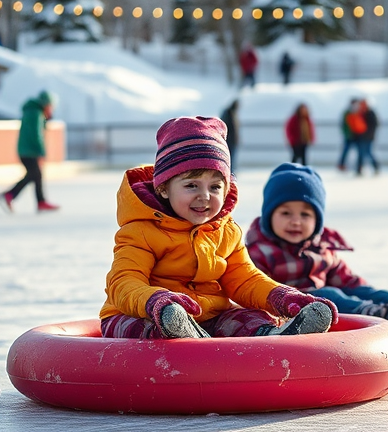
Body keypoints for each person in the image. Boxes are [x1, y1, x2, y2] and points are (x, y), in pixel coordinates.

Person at [99, 116, 338, 340]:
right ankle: (180, 336)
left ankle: (272, 340)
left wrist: (281, 296)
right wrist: (156, 300)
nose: (204, 196)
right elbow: (124, 281)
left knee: (249, 318)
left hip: (208, 316)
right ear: (163, 189)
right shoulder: (141, 230)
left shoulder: (226, 232)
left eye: (215, 187)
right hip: (143, 311)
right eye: (191, 185)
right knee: (142, 326)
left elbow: (244, 279)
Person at [246, 163, 388, 338]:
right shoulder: (260, 251)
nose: (296, 222)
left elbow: (348, 281)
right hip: (295, 311)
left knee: (362, 290)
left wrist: (370, 295)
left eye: (305, 215)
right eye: (286, 213)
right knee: (329, 294)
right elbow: (254, 291)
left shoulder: (321, 248)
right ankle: (376, 314)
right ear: (269, 216)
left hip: (330, 304)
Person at [0, 90, 60, 213]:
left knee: (35, 175)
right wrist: (41, 152)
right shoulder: (36, 114)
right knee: (35, 174)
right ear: (46, 104)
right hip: (29, 151)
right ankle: (10, 195)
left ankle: (36, 200)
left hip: (25, 150)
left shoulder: (32, 111)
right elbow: (37, 135)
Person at [337, 98, 362, 172]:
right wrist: (347, 133)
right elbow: (343, 125)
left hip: (358, 136)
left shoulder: (359, 112)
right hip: (349, 136)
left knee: (360, 152)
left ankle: (359, 166)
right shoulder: (347, 113)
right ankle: (341, 165)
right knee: (345, 151)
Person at [356, 99, 380, 176]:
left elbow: (374, 125)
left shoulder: (370, 113)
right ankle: (359, 169)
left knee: (368, 153)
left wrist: (368, 133)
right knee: (361, 153)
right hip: (361, 137)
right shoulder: (360, 113)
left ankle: (376, 166)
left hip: (368, 137)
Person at [220, 99, 241, 173]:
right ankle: (229, 173)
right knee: (229, 159)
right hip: (229, 142)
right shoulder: (228, 113)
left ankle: (231, 173)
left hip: (233, 141)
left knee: (232, 159)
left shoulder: (233, 113)